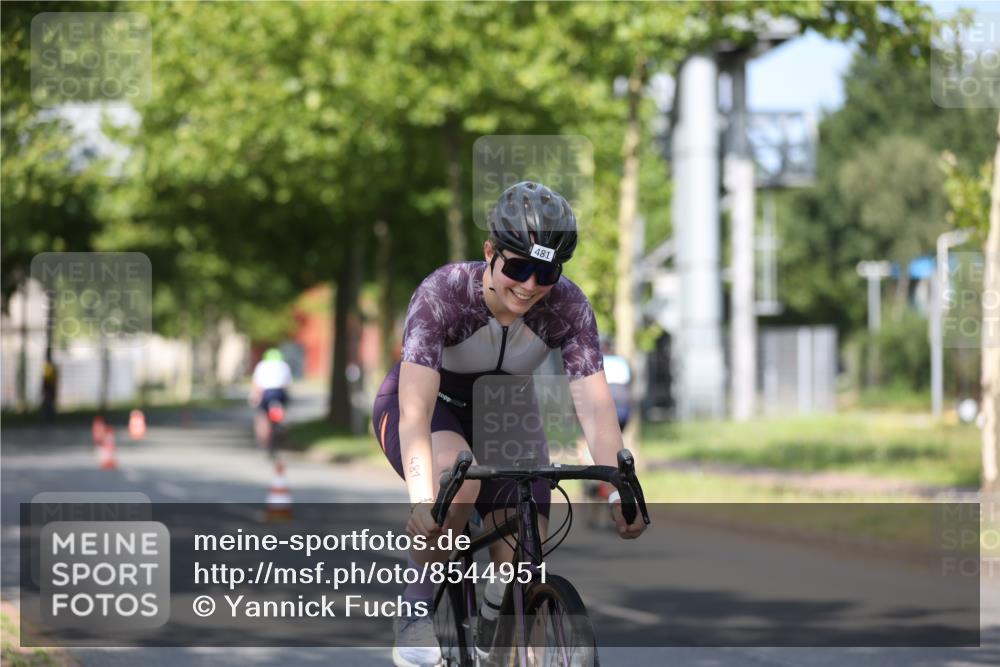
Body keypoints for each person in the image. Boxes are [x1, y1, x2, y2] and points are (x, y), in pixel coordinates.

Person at [372, 181, 647, 667]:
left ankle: (497, 617)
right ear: (489, 253)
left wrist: (618, 487)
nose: (530, 285)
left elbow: (596, 406)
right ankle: (416, 606)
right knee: (454, 491)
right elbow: (414, 411)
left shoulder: (568, 306)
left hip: (505, 412)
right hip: (430, 403)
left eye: (546, 273)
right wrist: (422, 498)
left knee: (524, 550)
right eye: (518, 267)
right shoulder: (445, 294)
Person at [250, 348, 292, 446]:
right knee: (281, 411)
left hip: (267, 393)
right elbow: (287, 383)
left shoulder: (261, 365)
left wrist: (254, 396)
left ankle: (263, 437)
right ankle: (281, 426)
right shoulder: (284, 365)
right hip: (279, 392)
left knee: (263, 416)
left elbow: (257, 383)